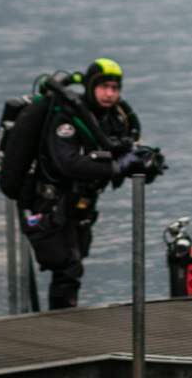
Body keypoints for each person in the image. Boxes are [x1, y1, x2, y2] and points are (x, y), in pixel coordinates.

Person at [16, 58, 165, 310]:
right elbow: (70, 164)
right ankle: (62, 324)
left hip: (81, 204)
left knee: (75, 262)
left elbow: (121, 152)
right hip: (50, 201)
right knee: (67, 265)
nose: (110, 94)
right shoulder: (67, 119)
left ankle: (61, 321)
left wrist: (145, 163)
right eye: (104, 87)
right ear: (90, 87)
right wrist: (119, 167)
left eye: (115, 88)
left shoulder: (113, 119)